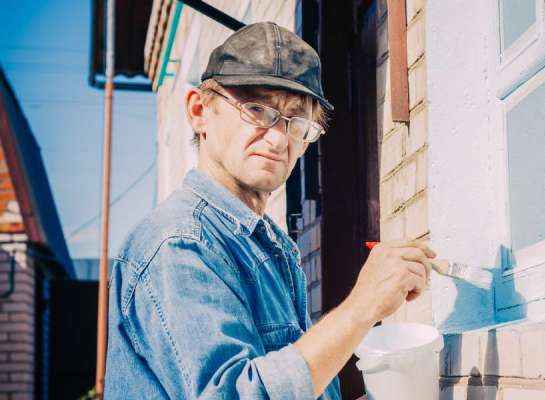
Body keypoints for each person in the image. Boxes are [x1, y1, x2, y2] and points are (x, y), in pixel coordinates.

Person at [104, 21, 435, 399]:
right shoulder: (177, 243)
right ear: (199, 111)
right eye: (257, 109)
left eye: (297, 121)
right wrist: (363, 304)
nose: (278, 138)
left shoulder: (269, 244)